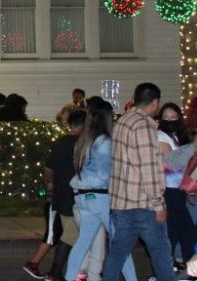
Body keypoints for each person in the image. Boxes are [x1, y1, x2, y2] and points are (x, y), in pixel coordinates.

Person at [101, 83, 174, 281]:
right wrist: (158, 203)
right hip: (143, 204)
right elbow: (149, 167)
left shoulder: (122, 122)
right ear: (155, 102)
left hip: (121, 203)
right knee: (160, 253)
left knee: (117, 253)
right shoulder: (143, 125)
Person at [62, 99, 137, 281]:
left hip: (83, 196)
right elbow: (106, 175)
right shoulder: (104, 142)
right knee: (120, 242)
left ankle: (69, 278)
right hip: (99, 197)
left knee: (83, 242)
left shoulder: (83, 141)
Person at [24, 109, 86, 281]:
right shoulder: (85, 144)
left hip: (60, 196)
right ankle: (56, 272)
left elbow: (48, 169)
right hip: (76, 197)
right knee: (68, 236)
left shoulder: (60, 142)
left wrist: (50, 184)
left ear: (69, 125)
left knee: (67, 234)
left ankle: (65, 272)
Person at [158, 102, 197, 265]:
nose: (170, 120)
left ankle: (170, 269)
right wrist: (192, 148)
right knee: (186, 234)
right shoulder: (161, 136)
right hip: (169, 190)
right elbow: (172, 164)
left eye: (173, 117)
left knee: (175, 234)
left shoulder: (178, 136)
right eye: (166, 117)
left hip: (178, 189)